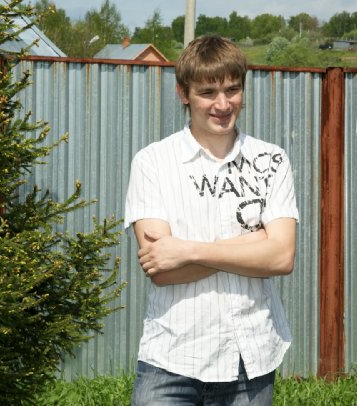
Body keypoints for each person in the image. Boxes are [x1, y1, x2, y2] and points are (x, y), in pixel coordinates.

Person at [124, 35, 298, 405]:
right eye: (208, 93)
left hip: (249, 357)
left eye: (232, 90)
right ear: (183, 94)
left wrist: (187, 250)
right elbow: (162, 270)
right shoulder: (153, 163)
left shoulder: (271, 160)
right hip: (171, 357)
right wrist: (255, 243)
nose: (223, 104)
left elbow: (282, 257)